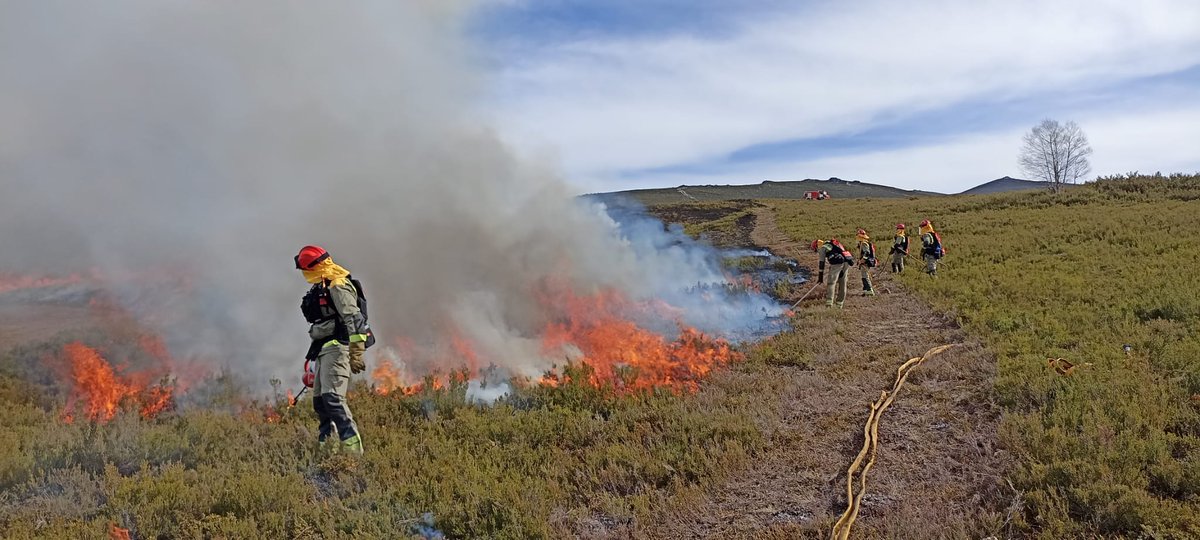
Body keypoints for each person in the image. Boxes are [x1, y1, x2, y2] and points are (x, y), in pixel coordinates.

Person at [295, 245, 368, 454]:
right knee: (320, 402)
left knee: (333, 399)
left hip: (338, 349)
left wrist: (356, 352)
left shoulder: (337, 285)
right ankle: (326, 447)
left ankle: (353, 450)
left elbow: (354, 318)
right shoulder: (323, 284)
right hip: (324, 348)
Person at [811, 238, 853, 308]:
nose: (816, 251)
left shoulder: (822, 248)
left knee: (831, 283)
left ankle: (829, 303)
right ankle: (839, 304)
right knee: (843, 283)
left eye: (815, 250)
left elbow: (822, 263)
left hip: (837, 263)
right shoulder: (831, 244)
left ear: (817, 246)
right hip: (846, 262)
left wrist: (820, 278)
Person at [855, 229, 876, 296]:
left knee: (865, 277)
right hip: (863, 263)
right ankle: (865, 291)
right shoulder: (862, 243)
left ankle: (870, 291)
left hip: (865, 263)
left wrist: (862, 261)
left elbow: (867, 253)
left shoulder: (864, 243)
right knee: (863, 277)